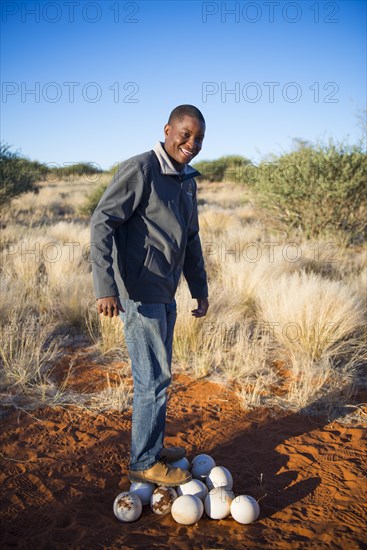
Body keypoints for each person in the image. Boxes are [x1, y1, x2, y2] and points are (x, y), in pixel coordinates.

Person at [90, 105, 209, 486]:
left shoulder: (186, 181)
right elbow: (102, 222)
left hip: (166, 292)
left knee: (160, 377)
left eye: (199, 138)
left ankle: (152, 449)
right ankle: (142, 461)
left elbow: (191, 239)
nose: (191, 143)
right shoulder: (142, 169)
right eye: (185, 134)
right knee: (151, 380)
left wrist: (200, 289)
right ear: (168, 130)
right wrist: (106, 287)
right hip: (138, 294)